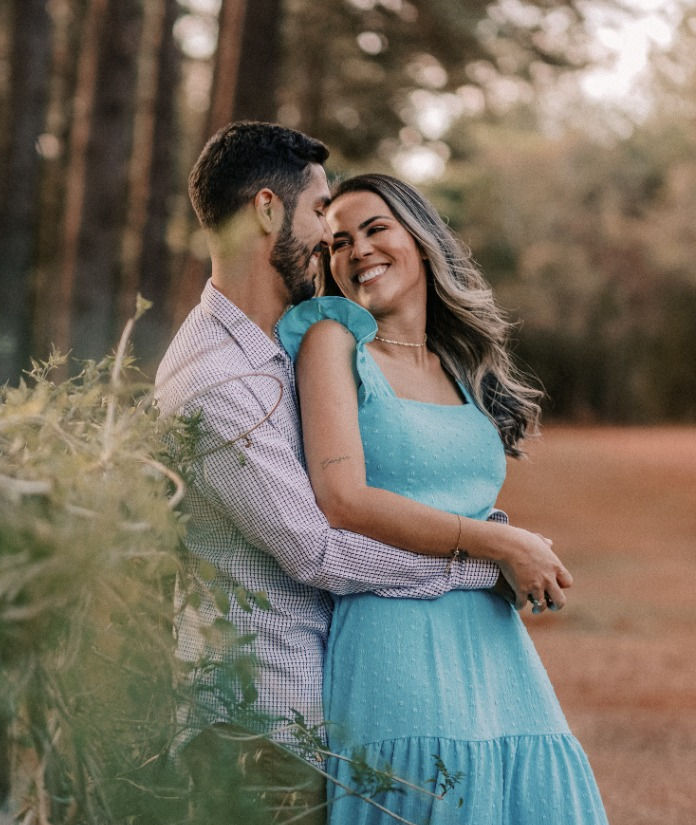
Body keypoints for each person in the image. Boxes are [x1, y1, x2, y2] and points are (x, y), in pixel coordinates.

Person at [153, 122, 569, 824]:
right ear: (265, 210)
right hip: (260, 724)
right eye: (322, 215)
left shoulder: (274, 347)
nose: (329, 240)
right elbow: (317, 548)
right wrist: (486, 555)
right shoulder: (213, 380)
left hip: (320, 708)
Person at [275, 172, 608, 822]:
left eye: (376, 229)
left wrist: (505, 545)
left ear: (422, 241)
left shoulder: (459, 364)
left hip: (496, 648)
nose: (358, 250)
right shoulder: (333, 341)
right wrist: (503, 541)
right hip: (396, 641)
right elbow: (343, 497)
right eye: (339, 242)